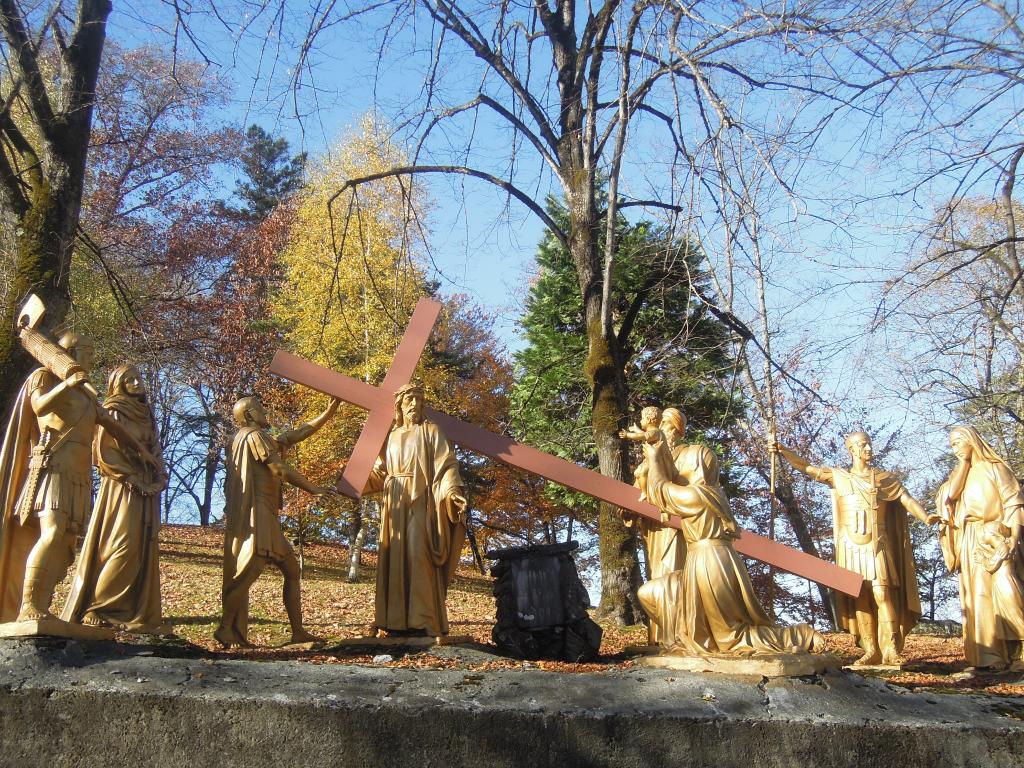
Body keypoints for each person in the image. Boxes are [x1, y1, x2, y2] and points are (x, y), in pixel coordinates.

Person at [624, 412, 823, 656]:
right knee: (650, 593)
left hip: (710, 562)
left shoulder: (697, 496)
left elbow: (659, 490)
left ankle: (800, 635)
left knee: (730, 635)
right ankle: (680, 636)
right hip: (702, 561)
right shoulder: (713, 494)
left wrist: (654, 450)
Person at [0, 333, 156, 624]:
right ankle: (27, 604)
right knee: (53, 531)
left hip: (79, 474)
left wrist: (140, 452)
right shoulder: (43, 377)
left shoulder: (86, 392)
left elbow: (108, 422)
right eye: (87, 350)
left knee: (66, 541)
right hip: (54, 468)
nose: (91, 357)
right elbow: (39, 407)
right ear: (70, 350)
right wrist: (66, 384)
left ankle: (43, 606)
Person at [773, 431, 938, 665]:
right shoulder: (839, 476)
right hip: (850, 544)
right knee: (859, 595)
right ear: (851, 450)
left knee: (882, 592)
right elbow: (808, 468)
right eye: (862, 445)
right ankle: (870, 649)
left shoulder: (885, 479)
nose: (868, 449)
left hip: (877, 543)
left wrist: (926, 517)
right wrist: (784, 451)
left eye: (869, 444)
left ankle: (891, 649)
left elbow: (906, 499)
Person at [215, 395, 339, 648]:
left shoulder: (259, 437)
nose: (265, 412)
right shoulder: (253, 436)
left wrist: (329, 411)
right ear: (249, 415)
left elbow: (295, 435)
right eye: (260, 409)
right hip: (257, 515)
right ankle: (226, 628)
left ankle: (298, 632)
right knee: (247, 574)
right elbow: (278, 469)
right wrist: (312, 488)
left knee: (292, 571)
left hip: (267, 514)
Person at [62, 365, 167, 631]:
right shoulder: (113, 410)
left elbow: (155, 448)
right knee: (122, 544)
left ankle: (131, 610)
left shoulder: (147, 415)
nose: (136, 382)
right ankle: (100, 606)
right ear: (117, 385)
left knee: (142, 550)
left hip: (146, 488)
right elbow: (105, 451)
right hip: (123, 487)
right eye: (128, 379)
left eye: (138, 377)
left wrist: (159, 475)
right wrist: (132, 478)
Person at [364, 382, 467, 639]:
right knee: (393, 556)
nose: (414, 405)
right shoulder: (391, 436)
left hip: (420, 499)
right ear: (399, 405)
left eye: (418, 400)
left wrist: (452, 491)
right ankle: (394, 621)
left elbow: (446, 464)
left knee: (417, 553)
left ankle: (423, 618)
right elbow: (380, 472)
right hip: (394, 502)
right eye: (409, 400)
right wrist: (353, 484)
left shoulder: (430, 431)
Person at [936, 426, 1024, 670]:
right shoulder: (960, 476)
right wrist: (963, 464)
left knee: (1003, 591)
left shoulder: (996, 468)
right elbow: (949, 498)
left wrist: (1013, 537)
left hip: (995, 534)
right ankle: (987, 657)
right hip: (969, 537)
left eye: (958, 443)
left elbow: (1013, 503)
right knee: (977, 597)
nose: (954, 449)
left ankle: (1016, 653)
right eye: (951, 445)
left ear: (971, 440)